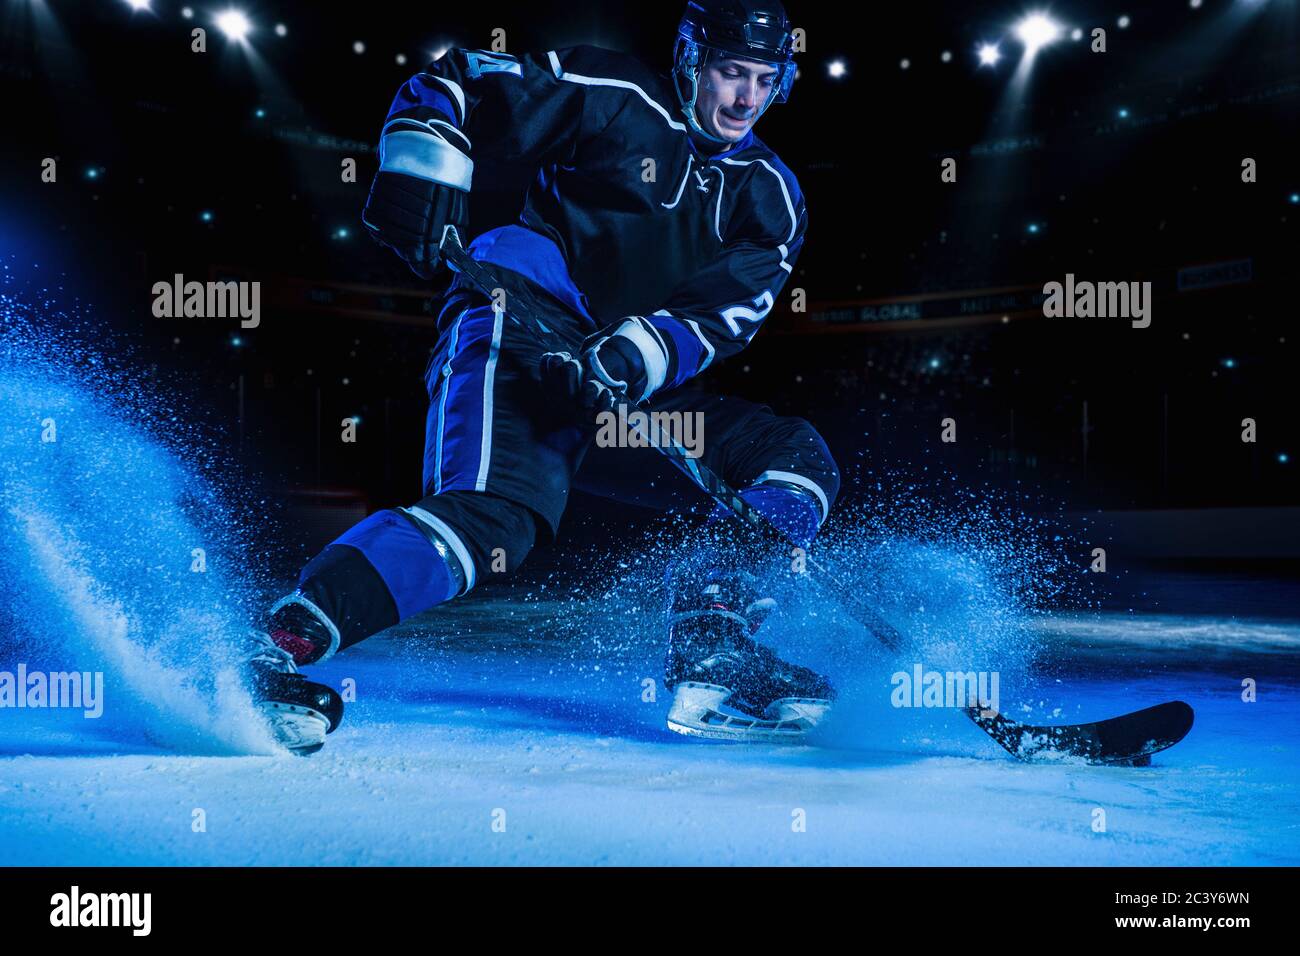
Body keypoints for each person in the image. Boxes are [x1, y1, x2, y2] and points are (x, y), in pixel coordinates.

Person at [244, 0, 840, 752]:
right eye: (730, 72)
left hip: (624, 390)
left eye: (764, 78)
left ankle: (711, 639)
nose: (745, 98)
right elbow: (465, 82)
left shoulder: (771, 195)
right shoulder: (621, 95)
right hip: (522, 334)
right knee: (494, 519)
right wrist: (421, 164)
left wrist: (630, 357)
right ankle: (279, 650)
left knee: (793, 461)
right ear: (692, 61)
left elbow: (726, 313)